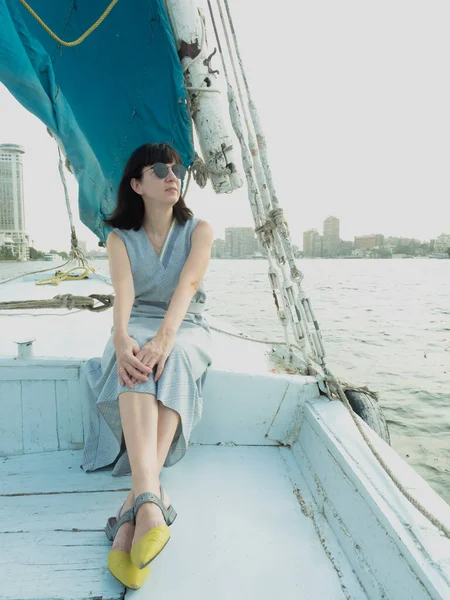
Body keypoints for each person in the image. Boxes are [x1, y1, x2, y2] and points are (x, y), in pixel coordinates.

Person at [80, 142, 214, 589]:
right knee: (134, 358)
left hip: (184, 324)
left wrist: (165, 337)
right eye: (159, 169)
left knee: (172, 360)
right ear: (137, 184)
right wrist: (121, 339)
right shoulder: (120, 238)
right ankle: (151, 504)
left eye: (175, 168)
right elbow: (125, 293)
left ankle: (132, 509)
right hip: (135, 322)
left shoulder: (199, 230)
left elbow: (188, 287)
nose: (171, 174)